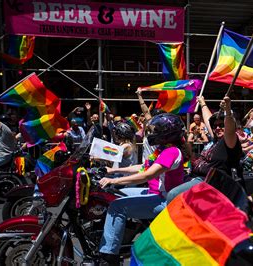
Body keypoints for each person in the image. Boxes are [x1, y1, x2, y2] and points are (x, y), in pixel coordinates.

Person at [97, 113, 188, 264]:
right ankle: (125, 231)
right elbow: (143, 167)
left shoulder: (171, 152)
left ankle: (109, 255)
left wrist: (115, 180)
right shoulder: (162, 149)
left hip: (163, 200)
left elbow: (147, 175)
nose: (153, 133)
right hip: (153, 193)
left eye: (157, 130)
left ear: (167, 134)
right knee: (112, 195)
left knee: (117, 206)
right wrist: (112, 171)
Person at [166, 95, 243, 202]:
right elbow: (208, 120)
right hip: (194, 177)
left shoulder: (228, 141)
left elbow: (230, 129)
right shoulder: (216, 138)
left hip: (210, 182)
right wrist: (202, 102)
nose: (217, 128)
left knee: (173, 195)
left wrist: (228, 110)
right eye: (215, 126)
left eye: (221, 125)